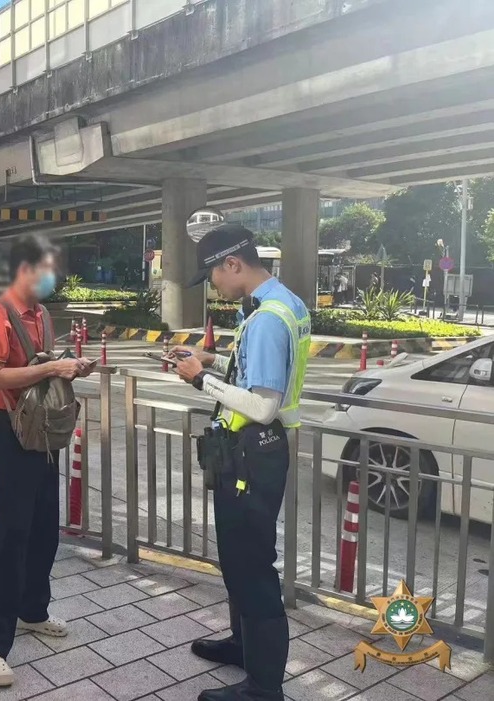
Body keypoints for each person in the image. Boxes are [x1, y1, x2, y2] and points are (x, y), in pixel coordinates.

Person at [172, 222, 310, 701]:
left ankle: (264, 686)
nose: (213, 284)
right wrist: (207, 363)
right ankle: (242, 646)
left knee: (251, 566)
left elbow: (263, 405)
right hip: (252, 452)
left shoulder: (269, 318)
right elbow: (256, 376)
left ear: (234, 264)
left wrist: (197, 380)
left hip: (255, 452)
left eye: (212, 274)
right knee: (238, 560)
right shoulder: (278, 303)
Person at [0, 233, 95, 688]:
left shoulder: (41, 313)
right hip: (9, 431)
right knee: (10, 532)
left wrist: (69, 365)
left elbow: (43, 364)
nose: (50, 279)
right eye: (44, 270)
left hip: (41, 431)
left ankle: (32, 609)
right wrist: (51, 369)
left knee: (44, 523)